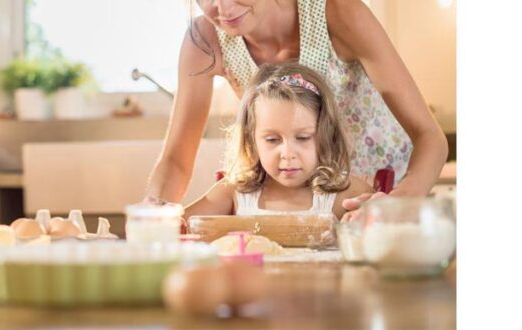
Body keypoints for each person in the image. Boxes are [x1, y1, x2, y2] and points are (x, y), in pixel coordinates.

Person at [145, 0, 448, 214]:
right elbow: (176, 160)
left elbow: (430, 138)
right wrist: (154, 216)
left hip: (377, 195)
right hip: (301, 204)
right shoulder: (205, 41)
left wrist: (397, 203)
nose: (222, 9)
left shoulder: (340, 12)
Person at [184, 63, 372, 219]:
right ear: (251, 140)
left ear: (326, 135)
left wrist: (375, 220)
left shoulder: (348, 194)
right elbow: (180, 228)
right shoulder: (234, 193)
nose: (288, 153)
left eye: (303, 138)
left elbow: (392, 237)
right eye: (273, 140)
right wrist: (162, 214)